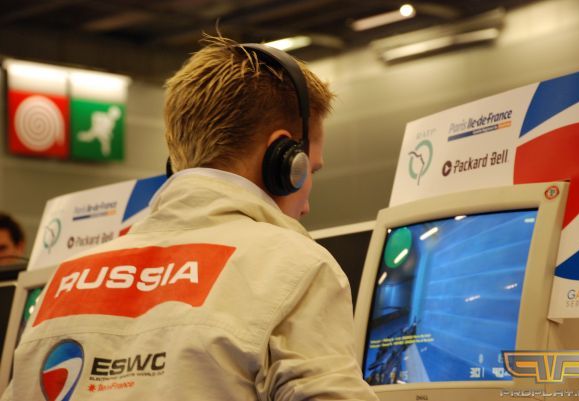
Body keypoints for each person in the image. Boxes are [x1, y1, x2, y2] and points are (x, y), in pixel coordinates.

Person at [1, 35, 378, 401]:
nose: (306, 207)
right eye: (311, 170)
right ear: (282, 158)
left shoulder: (64, 282)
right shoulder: (296, 267)